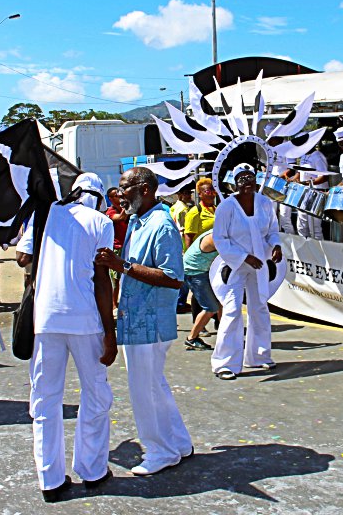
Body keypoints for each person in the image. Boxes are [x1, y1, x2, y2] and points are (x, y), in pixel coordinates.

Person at [94, 167, 193, 476]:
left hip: (149, 322)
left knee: (144, 390)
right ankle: (177, 442)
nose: (120, 193)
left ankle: (160, 450)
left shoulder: (161, 225)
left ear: (145, 190)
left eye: (125, 188)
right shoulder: (139, 221)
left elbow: (174, 278)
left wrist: (121, 265)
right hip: (137, 319)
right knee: (155, 385)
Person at [30, 196, 117, 501]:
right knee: (95, 393)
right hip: (84, 320)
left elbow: (22, 258)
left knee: (44, 399)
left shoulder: (44, 216)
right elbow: (102, 279)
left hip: (45, 320)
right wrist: (110, 331)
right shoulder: (101, 222)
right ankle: (92, 470)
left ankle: (49, 480)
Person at [210, 163, 282, 379]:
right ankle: (224, 363)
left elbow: (272, 230)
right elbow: (219, 238)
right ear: (235, 183)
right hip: (235, 266)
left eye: (250, 178)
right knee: (232, 310)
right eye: (241, 179)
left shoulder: (265, 203)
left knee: (259, 307)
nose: (246, 183)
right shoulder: (227, 207)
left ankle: (259, 356)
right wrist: (243, 257)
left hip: (259, 264)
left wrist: (276, 245)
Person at [182, 230, 220, 351]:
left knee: (220, 302)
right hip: (195, 272)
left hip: (202, 270)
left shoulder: (220, 232)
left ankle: (226, 334)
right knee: (211, 308)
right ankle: (191, 338)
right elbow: (232, 255)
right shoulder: (216, 237)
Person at [288, 147, 329, 240]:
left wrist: (307, 182)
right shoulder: (303, 155)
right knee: (301, 226)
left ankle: (318, 252)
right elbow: (299, 173)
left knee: (315, 229)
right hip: (304, 193)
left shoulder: (318, 156)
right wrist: (292, 180)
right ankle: (306, 250)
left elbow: (324, 176)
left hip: (316, 194)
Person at [183, 178, 216, 249]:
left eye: (213, 191)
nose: (211, 194)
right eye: (207, 191)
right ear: (200, 194)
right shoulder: (195, 211)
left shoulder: (217, 210)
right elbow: (188, 237)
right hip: (201, 255)